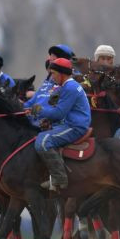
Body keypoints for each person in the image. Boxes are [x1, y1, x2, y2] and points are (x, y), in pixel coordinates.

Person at [29, 58, 91, 191]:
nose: (52, 76)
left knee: (43, 141)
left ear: (62, 74)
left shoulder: (70, 87)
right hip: (69, 123)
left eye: (54, 73)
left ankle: (59, 178)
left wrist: (40, 110)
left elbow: (58, 113)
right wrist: (48, 119)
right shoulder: (66, 86)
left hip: (75, 126)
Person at [24, 44, 75, 126]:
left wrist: (39, 111)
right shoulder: (48, 81)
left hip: (48, 125)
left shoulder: (69, 83)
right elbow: (31, 102)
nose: (50, 58)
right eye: (50, 55)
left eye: (54, 56)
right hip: (33, 121)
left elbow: (58, 112)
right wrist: (16, 107)